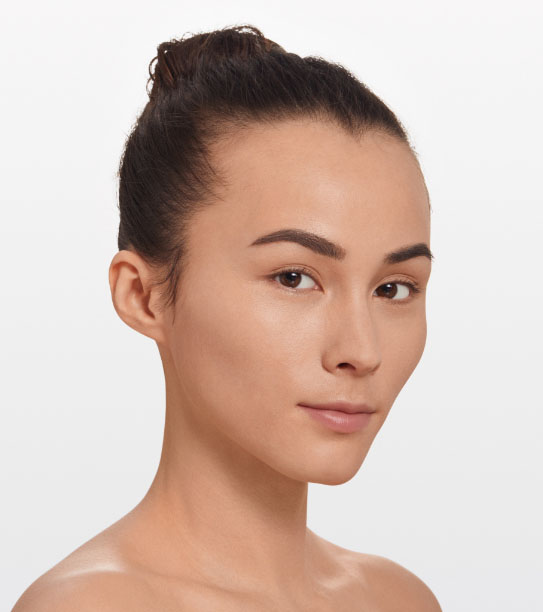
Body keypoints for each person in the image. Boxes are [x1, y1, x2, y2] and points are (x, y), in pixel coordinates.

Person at [13, 24, 441, 611]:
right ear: (142, 296)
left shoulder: (400, 600)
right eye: (294, 278)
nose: (362, 352)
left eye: (393, 289)